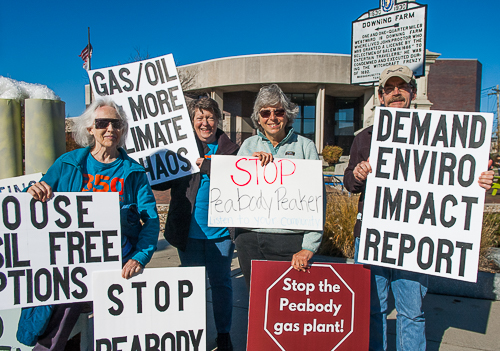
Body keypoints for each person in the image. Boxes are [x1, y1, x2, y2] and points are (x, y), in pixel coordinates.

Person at [344, 64, 494, 351]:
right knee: (372, 310)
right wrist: (359, 175)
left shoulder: (442, 135)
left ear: (412, 93)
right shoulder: (363, 138)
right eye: (389, 89)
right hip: (373, 235)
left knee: (412, 312)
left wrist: (480, 182)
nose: (396, 93)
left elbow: (457, 181)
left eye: (402, 87)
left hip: (414, 239)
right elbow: (349, 182)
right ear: (380, 96)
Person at [18, 99, 159, 350]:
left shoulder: (134, 172)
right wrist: (35, 191)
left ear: (122, 129)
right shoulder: (67, 163)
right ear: (89, 129)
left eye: (116, 124)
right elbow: (38, 202)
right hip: (71, 263)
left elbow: (150, 221)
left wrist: (139, 257)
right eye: (102, 123)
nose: (110, 129)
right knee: (62, 308)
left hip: (117, 261)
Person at [152, 97, 238, 351]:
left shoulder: (232, 150)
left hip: (220, 234)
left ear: (218, 120)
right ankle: (192, 333)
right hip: (187, 232)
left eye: (210, 117)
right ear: (192, 122)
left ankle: (223, 333)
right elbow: (160, 184)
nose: (205, 123)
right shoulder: (181, 150)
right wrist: (153, 163)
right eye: (199, 118)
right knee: (191, 287)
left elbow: (241, 180)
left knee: (221, 284)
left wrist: (210, 166)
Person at [235, 84, 324, 290]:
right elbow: (236, 191)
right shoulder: (248, 146)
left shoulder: (305, 146)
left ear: (287, 114)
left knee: (288, 303)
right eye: (265, 112)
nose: (272, 117)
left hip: (289, 240)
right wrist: (250, 164)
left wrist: (309, 246)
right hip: (249, 239)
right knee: (256, 301)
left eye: (278, 111)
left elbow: (318, 200)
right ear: (258, 118)